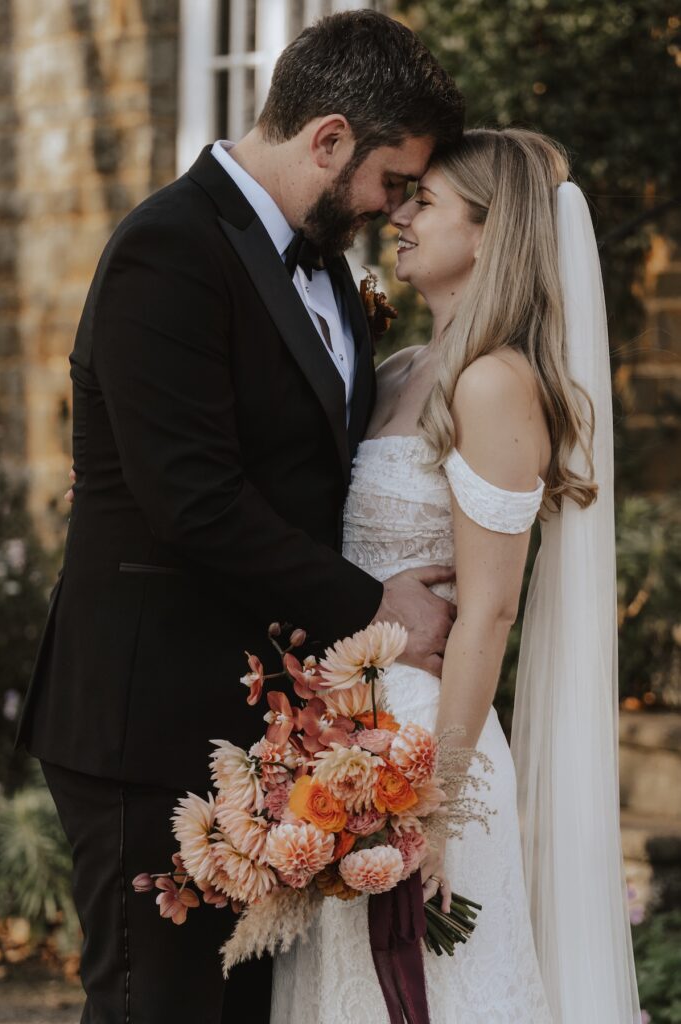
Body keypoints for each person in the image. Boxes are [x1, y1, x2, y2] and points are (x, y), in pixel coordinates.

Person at [15, 12, 465, 1024]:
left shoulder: (328, 273)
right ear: (328, 137)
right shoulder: (166, 249)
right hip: (150, 719)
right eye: (390, 182)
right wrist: (375, 604)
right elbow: (193, 500)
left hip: (268, 726)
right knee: (153, 1008)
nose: (390, 209)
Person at [271, 128, 641, 1023]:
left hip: (425, 746)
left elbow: (488, 610)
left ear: (486, 233)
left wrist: (438, 801)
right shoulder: (399, 370)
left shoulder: (494, 383)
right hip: (339, 732)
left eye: (423, 202)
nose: (396, 214)